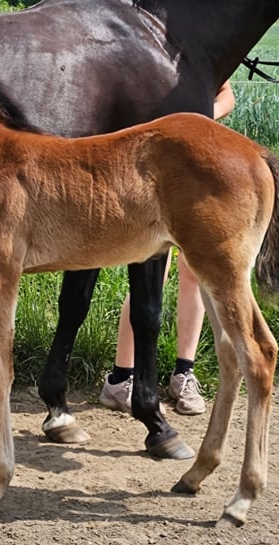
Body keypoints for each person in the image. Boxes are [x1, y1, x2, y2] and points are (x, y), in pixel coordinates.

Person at [99, 80, 236, 416]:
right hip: (153, 171)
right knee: (150, 277)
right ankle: (121, 378)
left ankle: (183, 373)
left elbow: (226, 93)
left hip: (197, 160)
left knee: (195, 273)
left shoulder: (194, 49)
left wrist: (200, 121)